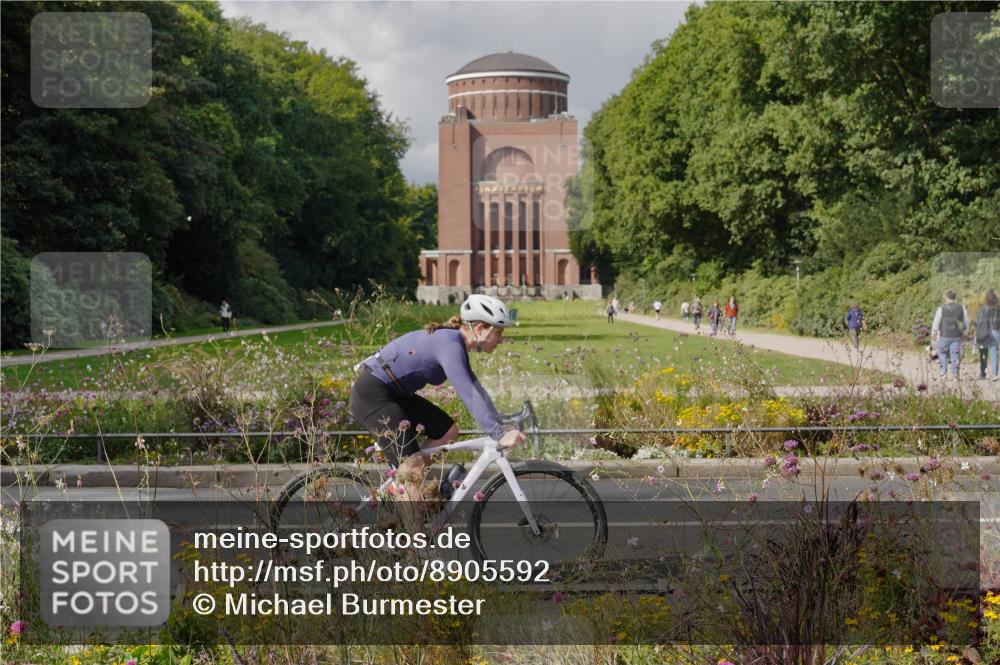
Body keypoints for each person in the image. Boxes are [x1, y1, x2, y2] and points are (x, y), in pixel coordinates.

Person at [349, 294, 525, 530]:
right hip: (373, 395)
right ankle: (415, 553)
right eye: (499, 332)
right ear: (481, 328)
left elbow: (475, 388)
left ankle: (402, 484)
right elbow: (468, 394)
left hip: (396, 395)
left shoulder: (455, 344)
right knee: (412, 471)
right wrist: (497, 433)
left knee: (447, 431)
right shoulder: (450, 345)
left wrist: (500, 425)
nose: (501, 340)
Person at [931, 290, 969, 379]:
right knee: (955, 353)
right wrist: (966, 332)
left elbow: (936, 322)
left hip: (944, 335)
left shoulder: (941, 308)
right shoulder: (961, 308)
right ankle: (955, 374)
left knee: (941, 352)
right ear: (955, 298)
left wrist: (934, 333)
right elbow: (966, 321)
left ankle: (943, 372)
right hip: (957, 336)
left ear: (947, 298)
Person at [974, 289, 1000, 381]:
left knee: (983, 353)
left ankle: (983, 373)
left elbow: (977, 321)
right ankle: (994, 374)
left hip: (985, 331)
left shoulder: (983, 308)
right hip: (996, 331)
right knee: (994, 353)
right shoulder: (998, 308)